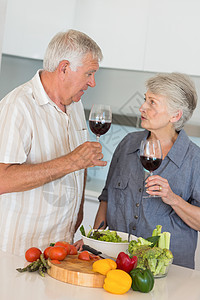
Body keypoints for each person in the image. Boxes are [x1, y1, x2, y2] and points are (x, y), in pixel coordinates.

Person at [0, 29, 107, 255]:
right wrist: (71, 162)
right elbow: (2, 179)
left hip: (60, 245)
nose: (93, 83)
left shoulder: (75, 105)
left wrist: (78, 210)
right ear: (64, 68)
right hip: (20, 249)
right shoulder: (19, 106)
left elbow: (82, 160)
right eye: (89, 73)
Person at [94, 72, 200, 269]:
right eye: (145, 100)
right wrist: (94, 242)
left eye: (153, 102)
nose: (142, 107)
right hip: (117, 263)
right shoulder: (128, 144)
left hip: (169, 271)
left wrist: (173, 199)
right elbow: (107, 198)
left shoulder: (195, 160)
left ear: (175, 115)